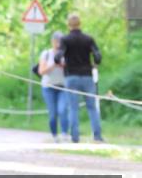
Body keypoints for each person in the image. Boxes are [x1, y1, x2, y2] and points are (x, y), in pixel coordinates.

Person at [58, 14, 103, 143]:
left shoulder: (65, 40)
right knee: (92, 107)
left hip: (71, 76)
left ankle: (75, 137)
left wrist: (62, 61)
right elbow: (98, 56)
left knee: (73, 107)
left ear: (69, 25)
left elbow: (58, 57)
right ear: (80, 24)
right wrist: (95, 63)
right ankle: (97, 135)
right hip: (87, 76)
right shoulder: (88, 39)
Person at [38, 31, 69, 143]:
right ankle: (55, 135)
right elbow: (41, 71)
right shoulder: (46, 54)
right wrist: (54, 65)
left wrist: (63, 66)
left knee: (62, 110)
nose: (58, 44)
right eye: (56, 41)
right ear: (52, 41)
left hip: (63, 87)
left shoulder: (66, 54)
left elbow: (71, 70)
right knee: (53, 113)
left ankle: (65, 134)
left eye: (60, 41)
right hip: (48, 87)